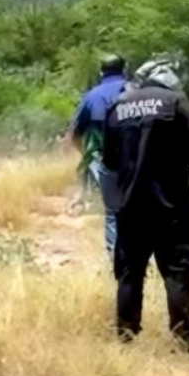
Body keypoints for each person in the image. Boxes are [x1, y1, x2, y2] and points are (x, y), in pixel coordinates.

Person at [103, 59, 189, 347]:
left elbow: (109, 161)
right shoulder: (176, 104)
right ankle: (184, 339)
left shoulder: (118, 107)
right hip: (171, 207)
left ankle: (126, 338)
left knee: (129, 273)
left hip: (130, 207)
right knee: (176, 273)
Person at [69, 55, 127, 257]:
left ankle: (116, 262)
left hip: (106, 160)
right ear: (124, 70)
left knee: (113, 212)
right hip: (139, 160)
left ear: (101, 72)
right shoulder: (137, 91)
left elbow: (75, 135)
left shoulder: (91, 97)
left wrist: (88, 156)